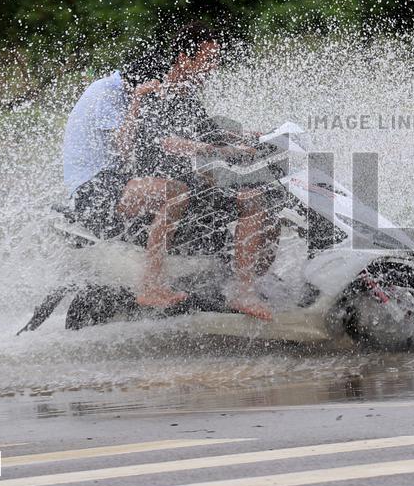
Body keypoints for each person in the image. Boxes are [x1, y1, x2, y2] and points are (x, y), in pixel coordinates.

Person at [62, 21, 275, 320]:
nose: (214, 68)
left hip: (156, 181)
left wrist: (256, 138)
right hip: (114, 188)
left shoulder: (184, 96)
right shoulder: (136, 94)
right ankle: (151, 284)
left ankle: (245, 286)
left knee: (258, 196)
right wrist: (220, 151)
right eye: (209, 59)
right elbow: (148, 145)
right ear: (183, 60)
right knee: (176, 193)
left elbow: (211, 134)